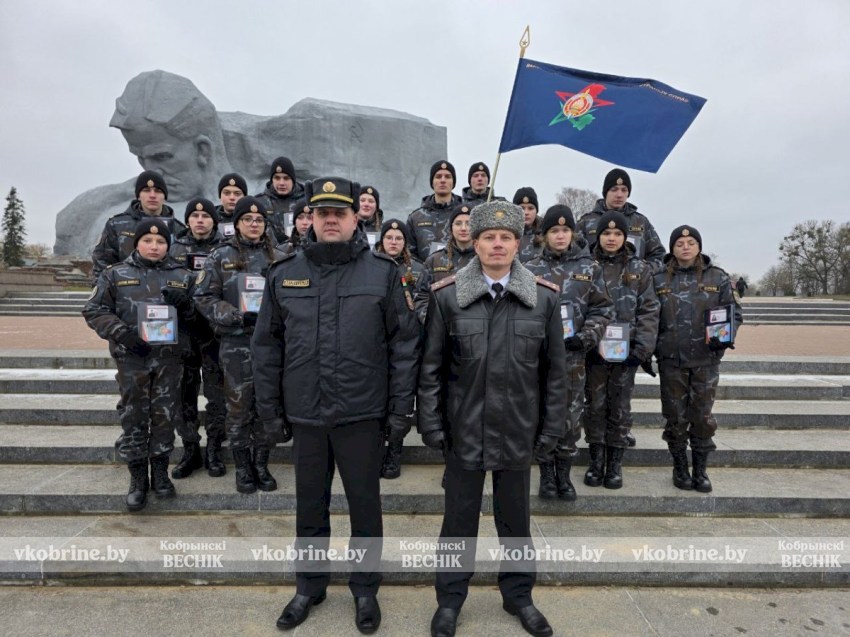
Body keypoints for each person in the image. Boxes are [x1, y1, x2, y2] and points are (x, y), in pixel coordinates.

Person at [252, 177, 420, 634]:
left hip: (361, 415)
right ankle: (309, 586)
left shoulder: (383, 274)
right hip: (306, 414)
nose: (330, 220)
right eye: (322, 212)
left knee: (365, 509)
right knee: (310, 507)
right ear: (310, 218)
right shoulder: (284, 272)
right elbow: (266, 348)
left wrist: (401, 411)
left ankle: (365, 589)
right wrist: (270, 411)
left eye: (339, 213)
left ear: (356, 218)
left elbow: (405, 347)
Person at [418, 200, 567, 637]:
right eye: (489, 237)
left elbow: (555, 374)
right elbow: (430, 369)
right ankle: (449, 602)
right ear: (475, 243)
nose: (497, 244)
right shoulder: (447, 298)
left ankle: (519, 597)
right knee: (457, 525)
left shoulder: (543, 299)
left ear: (517, 244)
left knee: (516, 524)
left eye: (505, 238)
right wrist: (431, 424)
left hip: (518, 431)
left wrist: (552, 428)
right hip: (463, 432)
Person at [83, 218, 197, 512]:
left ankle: (160, 473)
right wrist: (121, 332)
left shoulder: (183, 276)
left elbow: (199, 317)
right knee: (134, 414)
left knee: (164, 415)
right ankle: (137, 478)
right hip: (133, 359)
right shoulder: (115, 274)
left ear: (168, 245)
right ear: (137, 243)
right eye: (148, 241)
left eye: (161, 242)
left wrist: (186, 305)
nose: (155, 246)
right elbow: (94, 309)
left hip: (169, 360)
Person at [194, 196, 285, 494]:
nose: (254, 224)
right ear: (237, 224)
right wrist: (236, 316)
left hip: (271, 345)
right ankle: (243, 466)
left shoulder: (281, 256)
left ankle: (261, 463)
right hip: (236, 343)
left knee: (266, 405)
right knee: (239, 406)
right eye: (248, 219)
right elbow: (204, 297)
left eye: (259, 220)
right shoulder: (220, 256)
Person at [525, 205, 613, 501]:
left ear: (572, 233)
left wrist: (586, 337)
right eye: (554, 230)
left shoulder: (590, 268)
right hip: (538, 358)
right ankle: (546, 474)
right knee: (541, 413)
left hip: (573, 357)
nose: (560, 235)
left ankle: (564, 474)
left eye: (564, 230)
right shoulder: (529, 269)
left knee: (571, 416)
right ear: (544, 235)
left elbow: (603, 308)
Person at [652, 225, 742, 492]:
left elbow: (734, 313)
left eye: (691, 242)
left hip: (706, 360)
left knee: (702, 417)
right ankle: (680, 467)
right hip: (672, 361)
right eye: (679, 243)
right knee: (675, 417)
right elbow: (648, 316)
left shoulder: (719, 277)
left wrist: (725, 338)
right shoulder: (658, 279)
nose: (686, 247)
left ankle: (701, 469)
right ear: (672, 248)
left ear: (699, 246)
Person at [583, 211, 659, 490]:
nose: (611, 238)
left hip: (626, 355)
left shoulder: (640, 268)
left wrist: (641, 350)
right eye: (606, 233)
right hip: (594, 352)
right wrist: (585, 342)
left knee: (620, 409)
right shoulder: (587, 265)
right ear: (598, 236)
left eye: (617, 234)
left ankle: (614, 465)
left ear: (625, 237)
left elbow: (650, 310)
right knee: (594, 407)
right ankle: (595, 462)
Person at [168, 197, 227, 479]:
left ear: (214, 220)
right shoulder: (173, 248)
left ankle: (215, 447)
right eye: (195, 215)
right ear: (188, 220)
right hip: (183, 333)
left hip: (214, 332)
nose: (200, 219)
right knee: (184, 393)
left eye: (206, 215)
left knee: (217, 393)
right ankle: (191, 448)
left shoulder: (225, 249)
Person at [374, 218, 430, 479]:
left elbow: (425, 298)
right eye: (389, 238)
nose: (394, 242)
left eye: (398, 238)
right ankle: (375, 449)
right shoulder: (370, 267)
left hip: (409, 344)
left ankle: (395, 450)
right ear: (382, 240)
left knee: (402, 399)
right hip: (376, 345)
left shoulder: (417, 269)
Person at [91, 170, 187, 282]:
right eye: (146, 190)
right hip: (127, 292)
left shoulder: (179, 229)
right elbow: (102, 263)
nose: (152, 195)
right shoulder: (117, 225)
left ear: (164, 196)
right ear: (138, 195)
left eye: (158, 191)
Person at [575, 168, 665, 273]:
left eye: (624, 190)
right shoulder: (586, 222)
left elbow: (659, 255)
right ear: (605, 192)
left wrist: (643, 273)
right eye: (614, 189)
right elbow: (573, 255)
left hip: (631, 285)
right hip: (596, 284)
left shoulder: (640, 222)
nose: (619, 195)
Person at [407, 160, 463, 261]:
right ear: (432, 182)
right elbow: (409, 253)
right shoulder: (416, 217)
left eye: (447, 177)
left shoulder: (466, 215)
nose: (443, 180)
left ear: (453, 182)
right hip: (426, 273)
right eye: (438, 176)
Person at [255, 156, 306, 244]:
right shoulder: (259, 202)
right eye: (277, 178)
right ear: (272, 180)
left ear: (293, 180)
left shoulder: (306, 200)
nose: (281, 183)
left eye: (286, 178)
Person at [423, 205, 476, 284]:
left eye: (469, 224)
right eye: (458, 224)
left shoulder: (486, 258)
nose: (463, 228)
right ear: (451, 228)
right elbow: (422, 293)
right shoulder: (434, 260)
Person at [513, 187, 542, 263]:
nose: (526, 212)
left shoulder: (546, 236)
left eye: (530, 208)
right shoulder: (506, 235)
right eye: (522, 208)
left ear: (536, 211)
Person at [215, 173, 247, 239]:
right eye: (227, 193)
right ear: (220, 196)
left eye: (237, 194)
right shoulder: (210, 219)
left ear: (244, 197)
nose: (232, 197)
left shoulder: (253, 220)